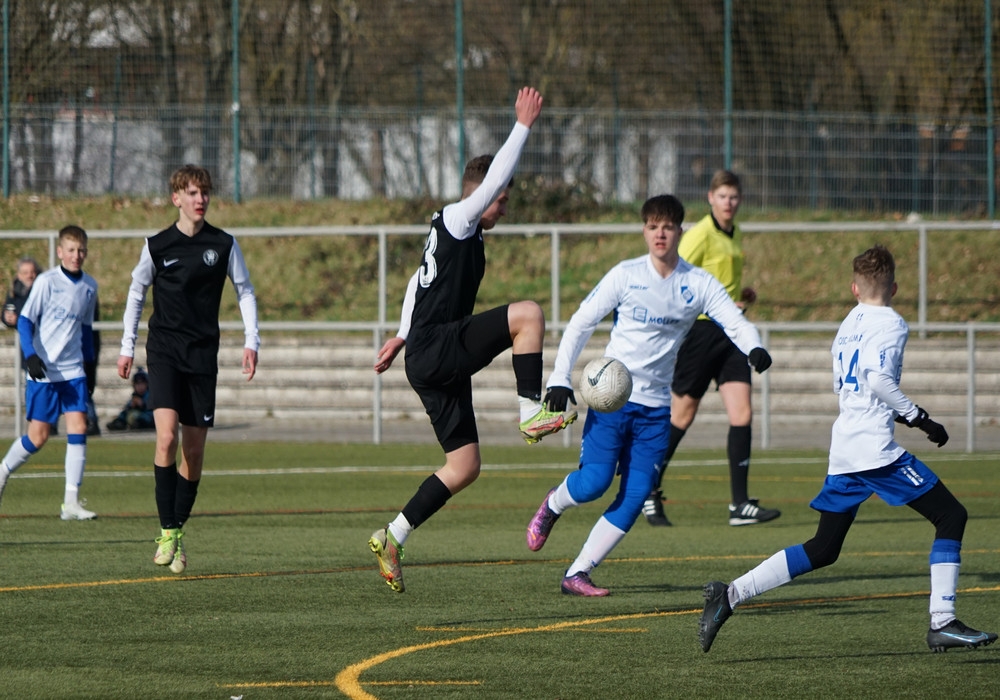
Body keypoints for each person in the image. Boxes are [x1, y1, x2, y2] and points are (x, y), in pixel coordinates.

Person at [699, 245, 997, 654]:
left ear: (854, 288)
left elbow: (850, 388)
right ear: (894, 287)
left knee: (823, 548)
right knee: (951, 515)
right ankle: (942, 621)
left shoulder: (847, 325)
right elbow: (877, 380)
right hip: (875, 452)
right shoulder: (891, 322)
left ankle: (730, 594)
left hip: (845, 448)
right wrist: (920, 418)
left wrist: (895, 413)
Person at [368, 86, 575, 593]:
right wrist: (522, 125)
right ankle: (530, 411)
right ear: (480, 194)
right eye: (500, 200)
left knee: (464, 465)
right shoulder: (459, 217)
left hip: (427, 354)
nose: (503, 208)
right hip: (437, 346)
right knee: (529, 315)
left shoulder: (459, 232)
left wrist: (400, 335)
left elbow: (417, 283)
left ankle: (393, 536)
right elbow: (496, 176)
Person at [525, 194, 773, 596]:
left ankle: (578, 572)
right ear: (644, 231)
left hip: (657, 408)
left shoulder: (697, 283)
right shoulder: (625, 275)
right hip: (613, 401)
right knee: (593, 483)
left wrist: (754, 347)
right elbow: (581, 322)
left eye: (668, 226)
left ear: (680, 231)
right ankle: (553, 504)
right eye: (653, 226)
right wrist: (559, 378)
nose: (660, 234)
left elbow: (734, 320)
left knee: (637, 494)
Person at [117, 164, 259, 575]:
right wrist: (127, 346)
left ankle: (176, 530)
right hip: (164, 353)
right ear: (176, 198)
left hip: (202, 358)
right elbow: (136, 291)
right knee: (166, 438)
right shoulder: (157, 245)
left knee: (193, 453)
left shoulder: (224, 244)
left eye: (205, 193)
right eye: (193, 193)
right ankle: (167, 532)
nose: (201, 200)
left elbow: (245, 291)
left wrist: (252, 341)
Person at [644, 170, 779, 527]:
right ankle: (647, 489)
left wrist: (740, 297)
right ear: (710, 198)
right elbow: (676, 273)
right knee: (681, 416)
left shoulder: (735, 233)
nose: (728, 203)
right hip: (702, 332)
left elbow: (720, 283)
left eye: (733, 197)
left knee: (742, 413)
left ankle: (739, 505)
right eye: (722, 196)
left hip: (730, 335)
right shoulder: (700, 234)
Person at [0, 226, 99, 520]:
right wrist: (30, 355)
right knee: (38, 437)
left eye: (81, 250)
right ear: (60, 252)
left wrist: (90, 367)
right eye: (71, 250)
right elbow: (25, 321)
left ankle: (71, 502)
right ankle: (3, 471)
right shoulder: (46, 282)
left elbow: (86, 329)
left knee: (79, 426)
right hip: (43, 369)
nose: (76, 255)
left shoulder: (90, 286)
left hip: (72, 370)